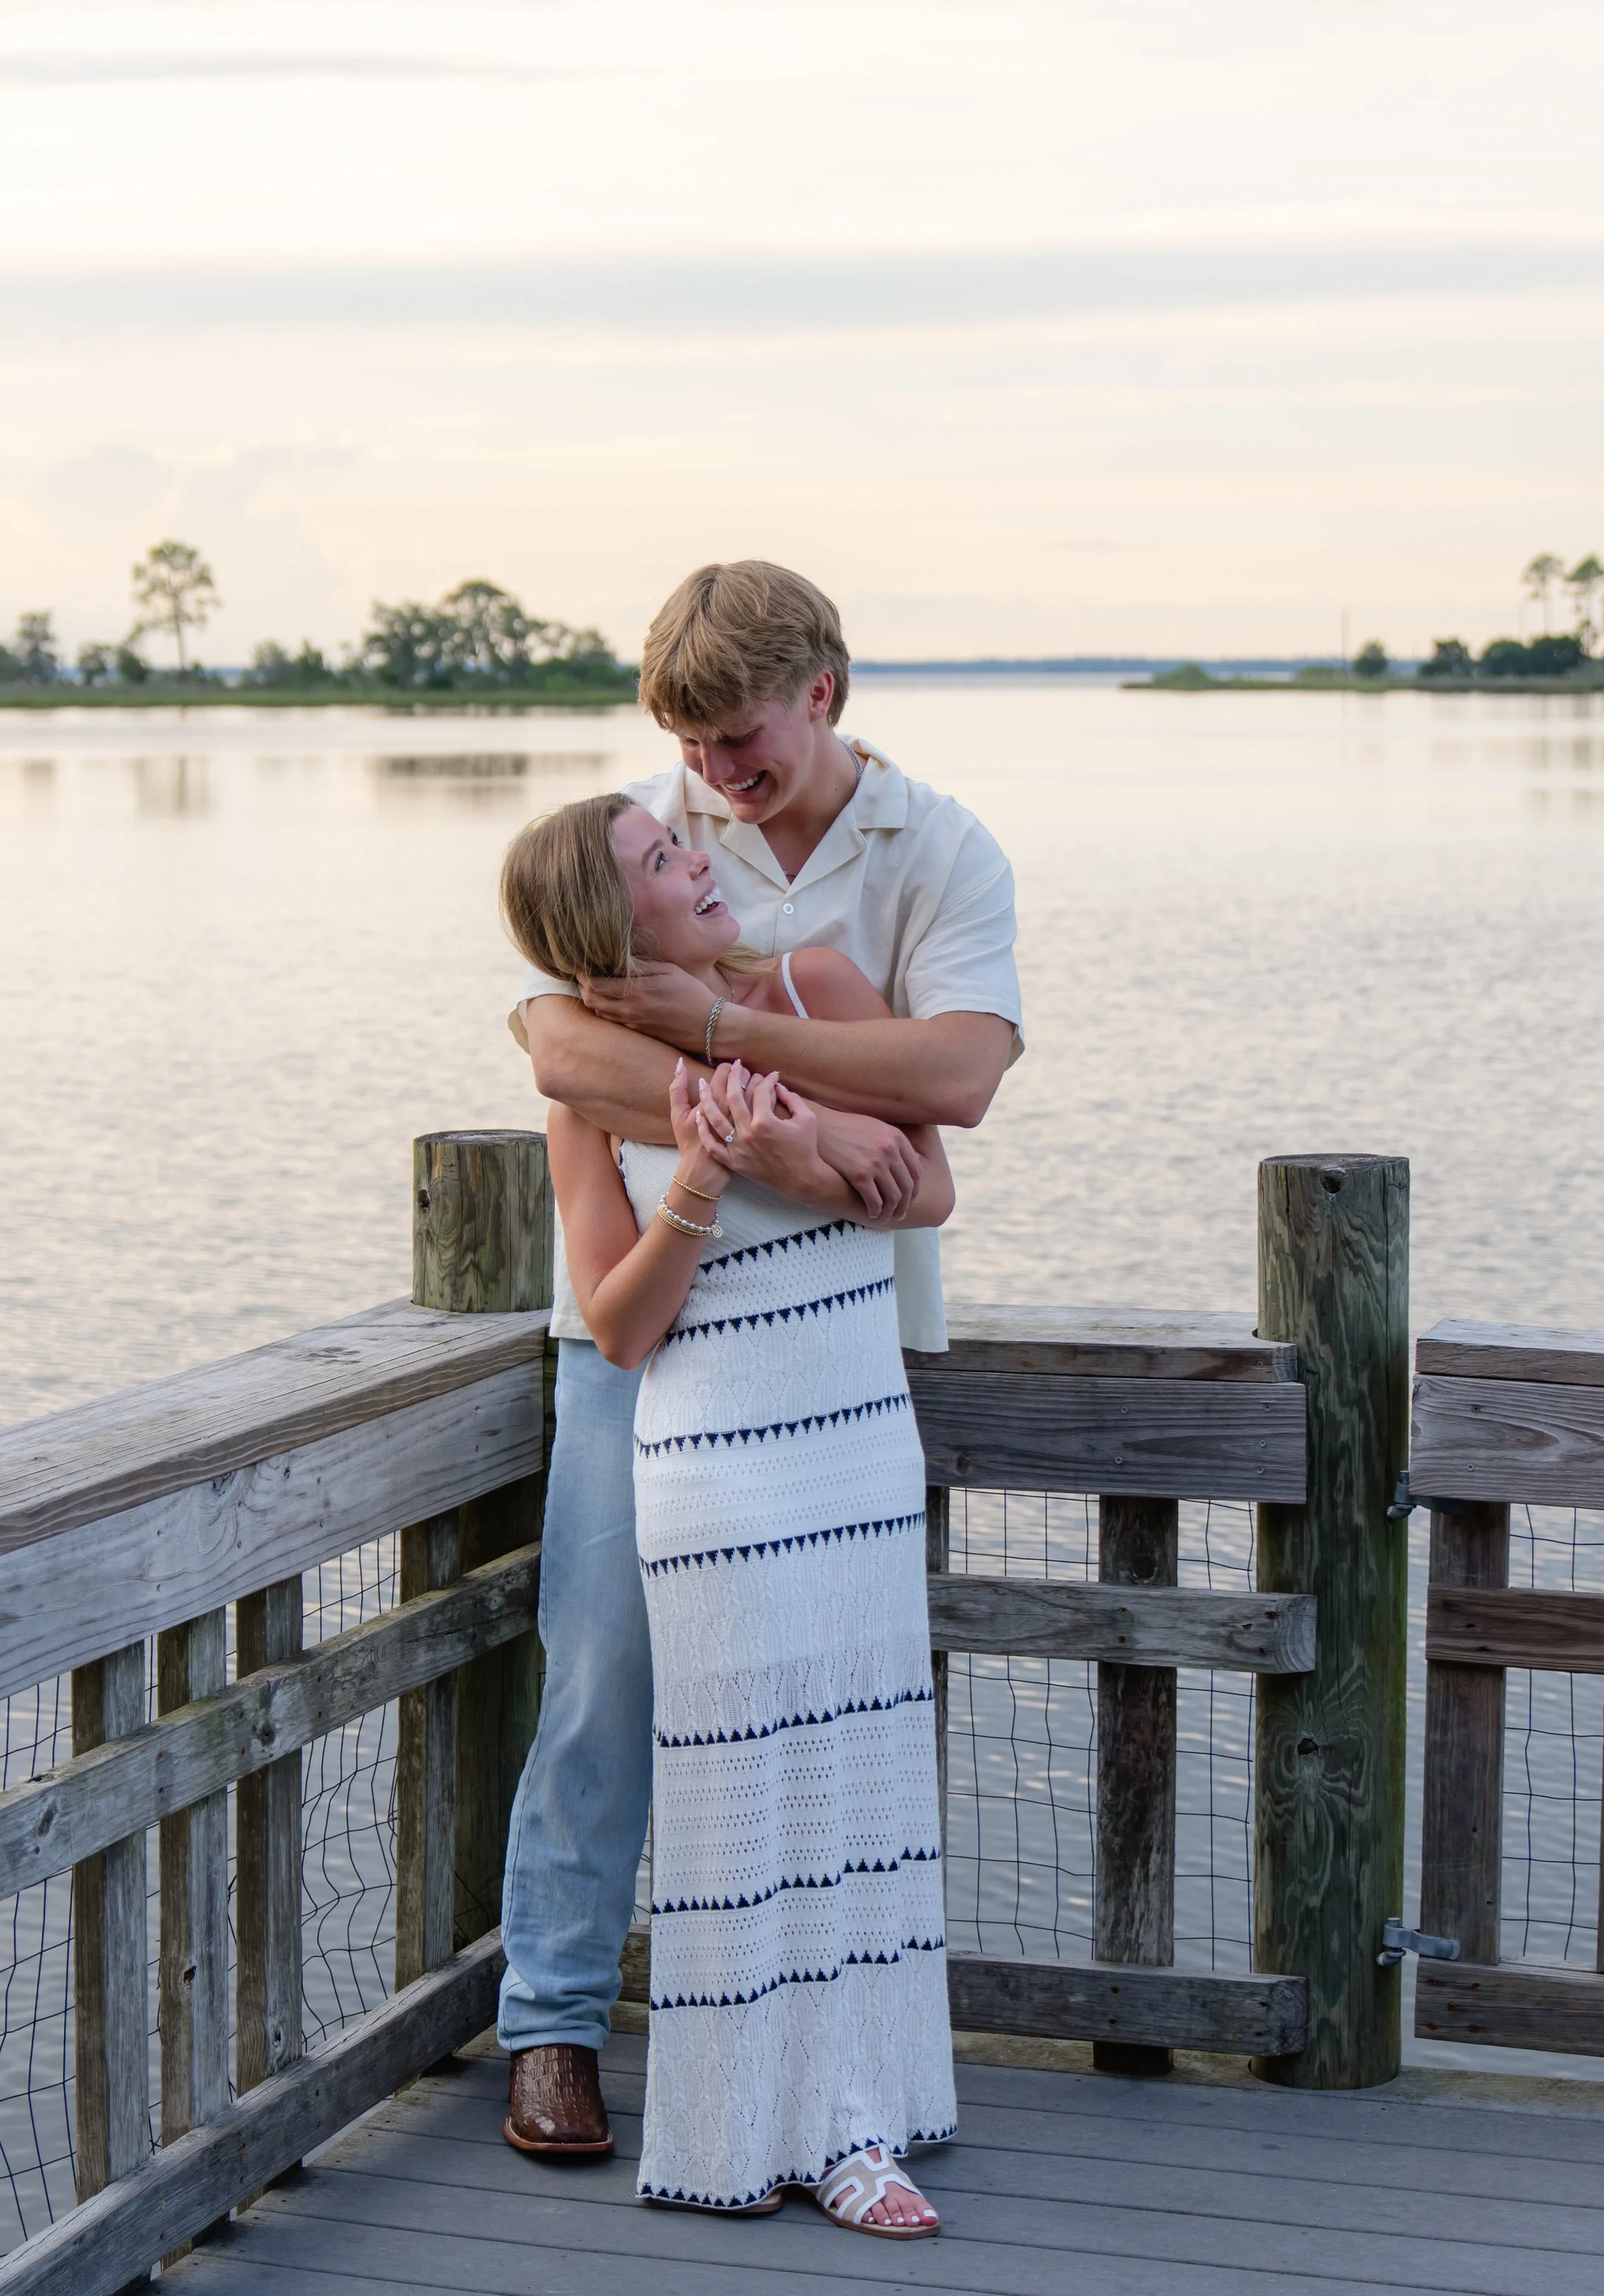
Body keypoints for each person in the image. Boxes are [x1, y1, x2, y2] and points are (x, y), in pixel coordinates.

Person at [494, 564, 1022, 2199]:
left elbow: (958, 1080)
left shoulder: (938, 849)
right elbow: (560, 1041)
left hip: (845, 1356)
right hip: (644, 1345)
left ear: (826, 693)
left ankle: (832, 2064)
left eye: (735, 743)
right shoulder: (648, 837)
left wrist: (732, 1038)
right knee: (602, 1670)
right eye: (688, 752)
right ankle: (556, 2016)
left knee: (826, 1698)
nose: (710, 782)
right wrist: (799, 1137)